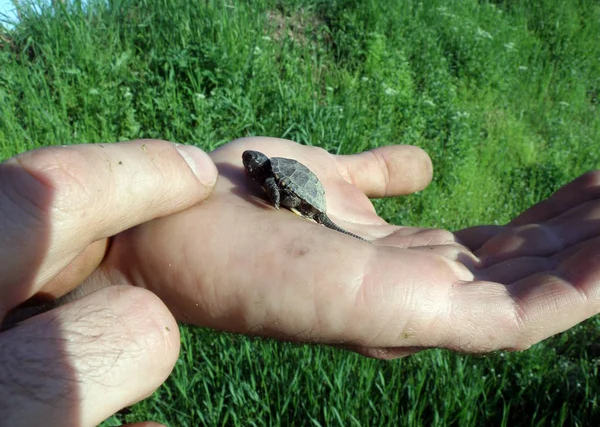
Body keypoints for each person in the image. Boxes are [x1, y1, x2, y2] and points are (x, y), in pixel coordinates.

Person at [1, 137, 599, 426]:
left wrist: (118, 256)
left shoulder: (273, 177)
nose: (250, 169)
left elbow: (284, 187)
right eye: (253, 167)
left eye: (253, 166)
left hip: (303, 193)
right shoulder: (258, 174)